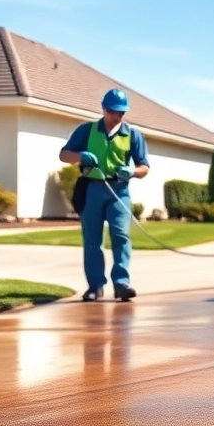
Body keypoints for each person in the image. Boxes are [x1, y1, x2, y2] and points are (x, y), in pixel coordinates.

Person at [59, 88, 150, 302]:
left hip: (119, 190)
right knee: (92, 239)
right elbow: (64, 155)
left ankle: (121, 283)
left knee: (121, 235)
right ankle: (95, 286)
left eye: (121, 113)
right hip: (92, 188)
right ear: (103, 109)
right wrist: (80, 156)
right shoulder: (86, 130)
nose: (116, 116)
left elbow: (144, 167)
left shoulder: (133, 135)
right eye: (112, 112)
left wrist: (133, 172)